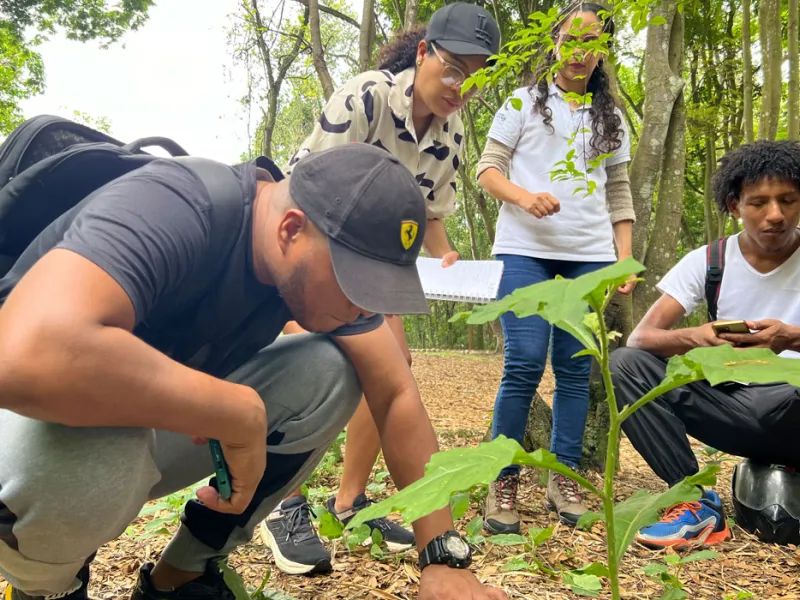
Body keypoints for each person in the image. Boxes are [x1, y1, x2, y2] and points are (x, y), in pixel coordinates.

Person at [0, 143, 507, 600]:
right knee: (106, 447)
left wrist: (441, 559)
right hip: (25, 420)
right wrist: (231, 411)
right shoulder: (177, 204)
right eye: (357, 284)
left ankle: (183, 577)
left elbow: (395, 392)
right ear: (291, 230)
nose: (364, 307)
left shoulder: (311, 271)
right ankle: (45, 589)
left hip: (144, 428)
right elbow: (25, 355)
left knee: (331, 372)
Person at [260, 2, 501, 575]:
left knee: (397, 365)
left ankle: (349, 503)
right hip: (309, 251)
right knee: (302, 354)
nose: (461, 88)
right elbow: (302, 190)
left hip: (377, 267)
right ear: (423, 53)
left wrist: (446, 257)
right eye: (453, 69)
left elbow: (431, 213)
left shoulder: (451, 132)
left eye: (476, 79)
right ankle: (284, 504)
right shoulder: (367, 97)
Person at [475, 2, 635, 534]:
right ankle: (502, 479)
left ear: (603, 52)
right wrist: (525, 197)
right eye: (572, 39)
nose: (580, 52)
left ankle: (564, 478)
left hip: (589, 256)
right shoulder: (522, 102)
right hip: (524, 250)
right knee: (522, 363)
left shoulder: (612, 120)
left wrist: (623, 259)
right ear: (555, 42)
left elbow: (619, 192)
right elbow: (487, 169)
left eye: (593, 43)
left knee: (573, 369)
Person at [611, 139, 800, 550]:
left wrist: (790, 337)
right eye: (759, 203)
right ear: (735, 207)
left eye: (788, 200)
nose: (775, 215)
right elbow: (641, 337)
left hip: (794, 406)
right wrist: (696, 337)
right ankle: (693, 499)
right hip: (731, 403)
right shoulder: (711, 260)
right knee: (626, 363)